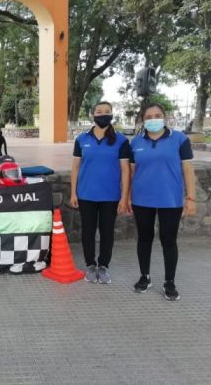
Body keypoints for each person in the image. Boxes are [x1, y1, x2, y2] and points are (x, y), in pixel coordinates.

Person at [129, 103, 196, 301]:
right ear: (143, 120)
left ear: (165, 117)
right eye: (148, 116)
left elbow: (188, 170)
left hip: (170, 199)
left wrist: (191, 198)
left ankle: (169, 281)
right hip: (142, 199)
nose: (153, 119)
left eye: (157, 115)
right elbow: (131, 172)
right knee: (144, 238)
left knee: (168, 240)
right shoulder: (135, 142)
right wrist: (126, 197)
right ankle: (145, 277)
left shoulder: (180, 139)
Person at [70, 101, 130, 284]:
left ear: (112, 115)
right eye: (99, 111)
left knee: (107, 231)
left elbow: (126, 170)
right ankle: (90, 264)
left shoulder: (121, 140)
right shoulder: (81, 139)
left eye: (107, 112)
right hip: (86, 194)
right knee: (87, 231)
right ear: (92, 114)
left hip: (110, 196)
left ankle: (103, 266)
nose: (103, 114)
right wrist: (73, 192)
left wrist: (124, 197)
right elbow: (75, 168)